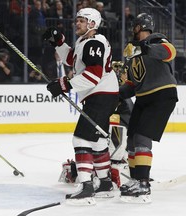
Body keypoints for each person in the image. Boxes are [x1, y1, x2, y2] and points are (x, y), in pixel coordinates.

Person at [43, 8, 119, 205]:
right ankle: (104, 184)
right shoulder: (84, 42)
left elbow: (93, 75)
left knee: (81, 138)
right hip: (102, 95)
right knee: (98, 142)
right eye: (76, 20)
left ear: (92, 24)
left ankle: (86, 187)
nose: (77, 23)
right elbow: (72, 60)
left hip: (101, 95)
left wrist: (64, 84)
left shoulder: (94, 42)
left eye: (81, 21)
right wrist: (59, 42)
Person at [119, 13, 178, 203]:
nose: (132, 29)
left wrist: (142, 47)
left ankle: (143, 183)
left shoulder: (156, 39)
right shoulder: (132, 53)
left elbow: (170, 52)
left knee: (142, 136)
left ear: (140, 26)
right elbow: (131, 83)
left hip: (161, 94)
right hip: (143, 97)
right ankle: (135, 179)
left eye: (135, 26)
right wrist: (114, 93)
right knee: (131, 138)